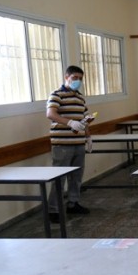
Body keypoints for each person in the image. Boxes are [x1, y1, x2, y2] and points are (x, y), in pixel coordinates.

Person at [46, 65, 93, 223]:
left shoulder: (80, 98)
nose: (77, 81)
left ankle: (73, 203)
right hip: (62, 143)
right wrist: (70, 122)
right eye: (74, 78)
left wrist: (88, 137)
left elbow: (84, 118)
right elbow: (50, 114)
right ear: (66, 77)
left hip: (78, 142)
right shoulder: (57, 95)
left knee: (77, 176)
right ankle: (53, 210)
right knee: (59, 177)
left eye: (80, 79)